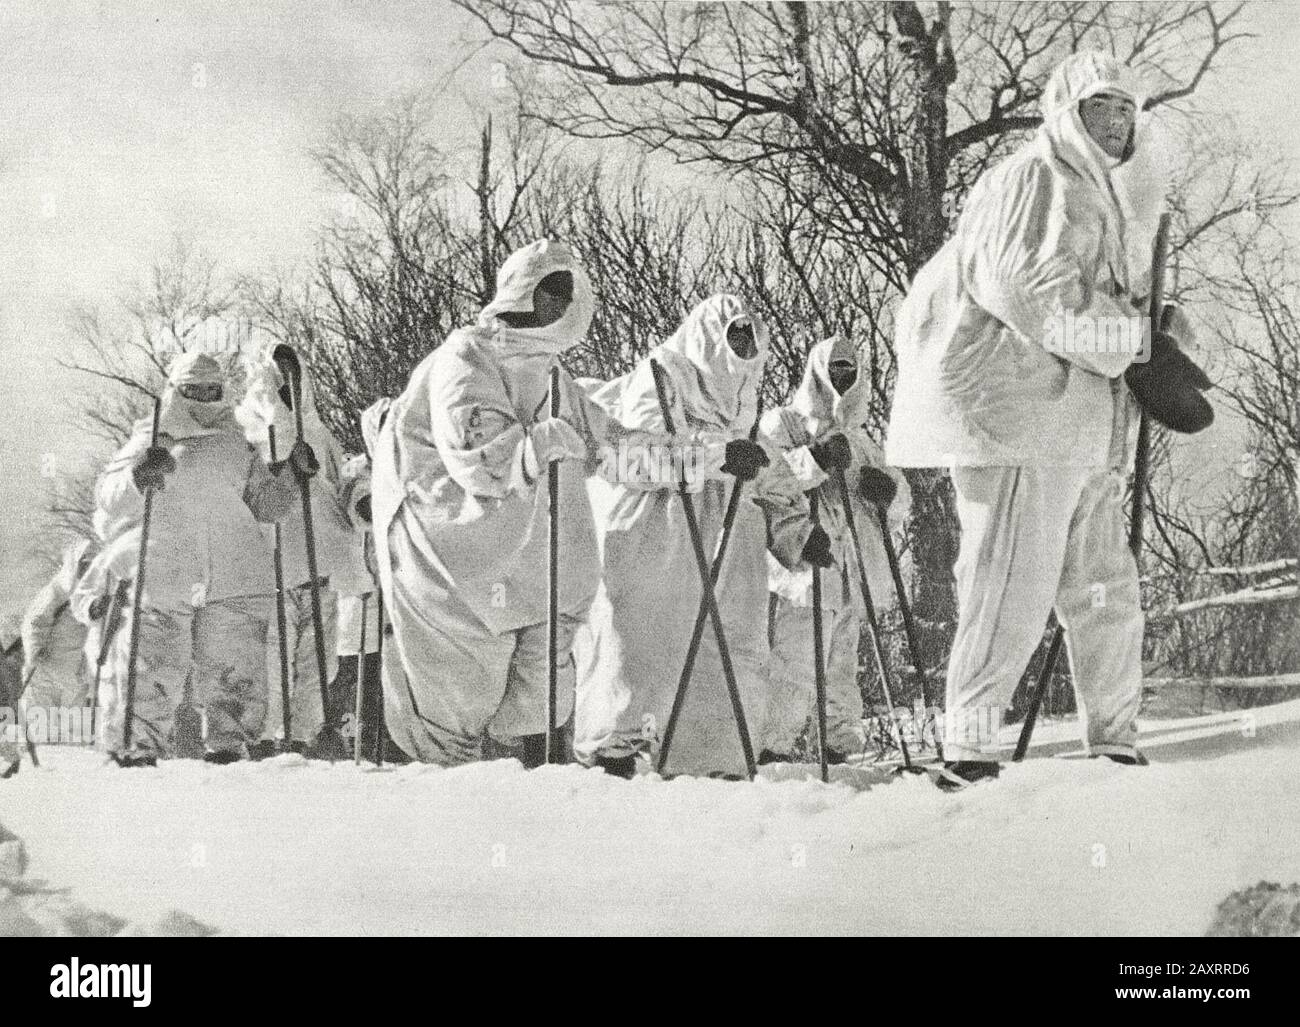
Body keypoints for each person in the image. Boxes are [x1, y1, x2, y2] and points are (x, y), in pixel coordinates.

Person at [885, 52, 1211, 788]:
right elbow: (1026, 294)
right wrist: (1130, 345)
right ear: (1067, 112)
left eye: (1128, 109)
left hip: (1087, 427)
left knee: (1105, 586)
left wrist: (1157, 330)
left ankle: (1115, 738)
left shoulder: (1112, 197)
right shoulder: (1034, 177)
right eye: (1101, 107)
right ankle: (968, 747)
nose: (1118, 121)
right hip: (1019, 418)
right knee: (1009, 586)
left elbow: (1093, 301)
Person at [371, 239, 692, 767]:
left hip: (537, 568)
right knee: (459, 703)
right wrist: (539, 444)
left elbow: (613, 448)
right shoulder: (466, 356)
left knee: (539, 697)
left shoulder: (552, 374)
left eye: (568, 293)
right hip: (458, 565)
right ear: (522, 291)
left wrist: (697, 463)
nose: (560, 304)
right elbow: (476, 457)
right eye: (550, 290)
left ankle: (538, 797)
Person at [573, 294, 817, 779]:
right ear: (709, 338)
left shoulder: (742, 401)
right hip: (659, 534)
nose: (743, 349)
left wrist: (796, 532)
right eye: (734, 337)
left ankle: (713, 762)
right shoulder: (662, 379)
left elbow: (767, 468)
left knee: (729, 650)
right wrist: (714, 457)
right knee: (642, 644)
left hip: (729, 538)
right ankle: (615, 758)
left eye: (751, 339)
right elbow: (630, 457)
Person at [93, 351, 310, 766]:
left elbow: (267, 506)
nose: (204, 399)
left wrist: (292, 476)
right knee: (154, 668)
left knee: (235, 674)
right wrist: (138, 476)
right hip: (167, 572)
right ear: (176, 391)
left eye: (212, 390)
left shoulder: (237, 445)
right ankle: (137, 750)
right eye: (194, 390)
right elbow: (108, 495)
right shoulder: (153, 438)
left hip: (236, 574)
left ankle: (232, 749)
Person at [760, 335, 911, 765]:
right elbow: (768, 481)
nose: (841, 380)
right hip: (807, 563)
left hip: (852, 568)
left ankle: (839, 748)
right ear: (817, 372)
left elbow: (898, 499)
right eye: (835, 370)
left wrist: (889, 491)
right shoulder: (784, 425)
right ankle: (773, 749)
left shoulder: (861, 441)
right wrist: (817, 460)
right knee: (797, 660)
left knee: (842, 665)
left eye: (850, 371)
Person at [237, 337, 355, 757]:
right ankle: (267, 742)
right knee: (272, 665)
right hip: (272, 575)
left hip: (318, 568)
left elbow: (340, 488)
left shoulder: (319, 433)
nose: (289, 381)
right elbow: (248, 500)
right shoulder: (247, 431)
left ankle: (305, 740)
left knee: (317, 665)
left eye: (294, 372)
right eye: (279, 372)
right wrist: (285, 470)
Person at [19, 538, 96, 717]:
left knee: (72, 733)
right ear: (74, 564)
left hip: (75, 677)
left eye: (92, 566)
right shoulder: (57, 592)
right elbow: (34, 621)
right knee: (37, 724)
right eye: (84, 565)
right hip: (46, 668)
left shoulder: (95, 601)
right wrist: (35, 650)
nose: (87, 570)